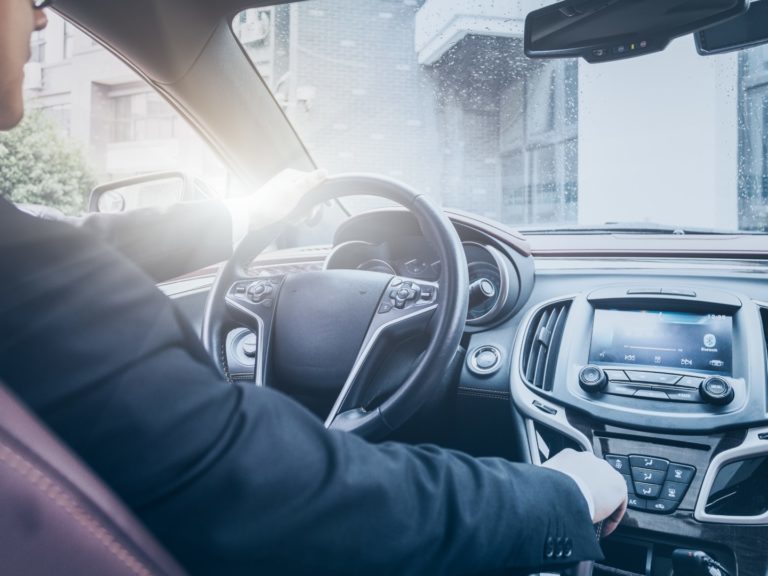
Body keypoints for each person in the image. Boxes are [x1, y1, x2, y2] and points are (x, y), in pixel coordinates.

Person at [0, 0, 628, 574]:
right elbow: (267, 498)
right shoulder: (26, 272)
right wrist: (562, 497)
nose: (39, 16)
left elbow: (69, 240)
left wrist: (244, 217)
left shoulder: (24, 260)